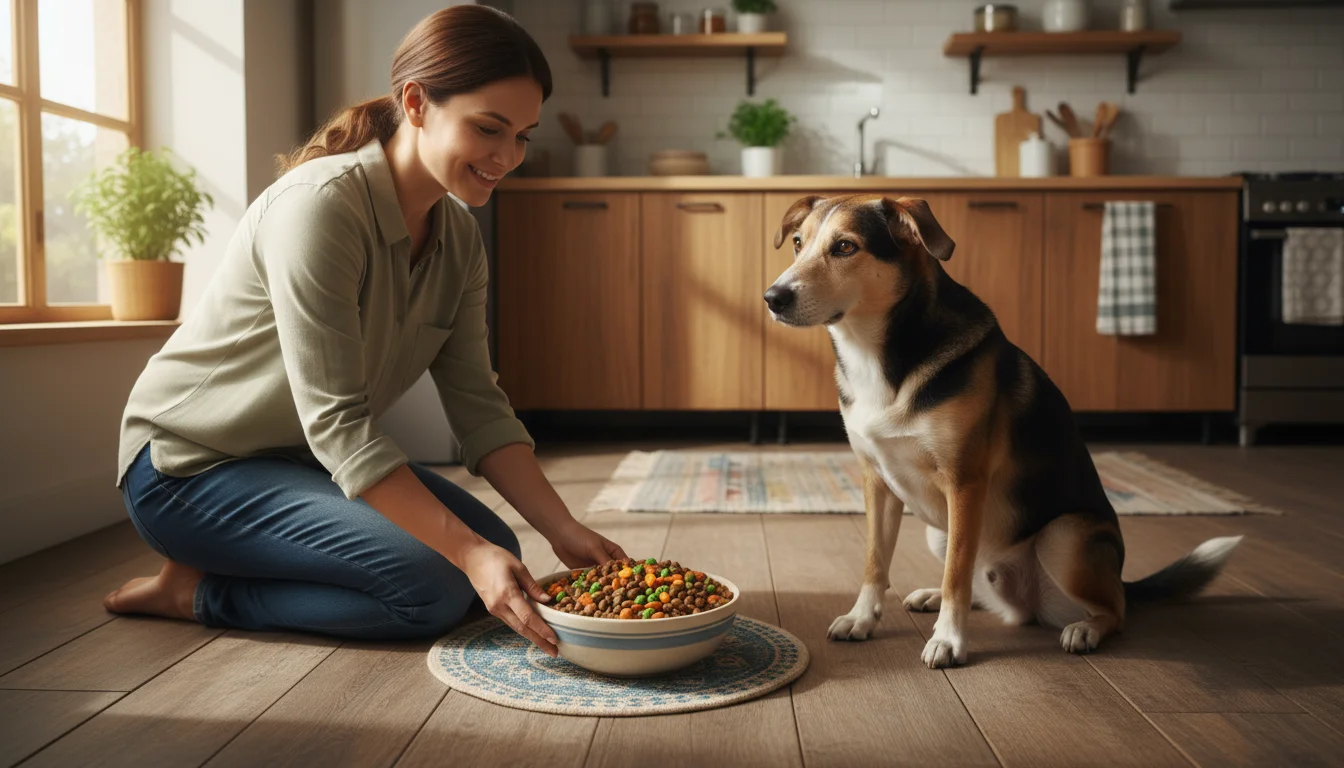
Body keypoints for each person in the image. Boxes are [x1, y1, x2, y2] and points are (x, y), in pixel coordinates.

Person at [104, 6, 623, 657]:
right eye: (488, 128)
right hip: (189, 469)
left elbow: (478, 404)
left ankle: (249, 557)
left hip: (299, 463)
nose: (507, 156)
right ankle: (201, 593)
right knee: (432, 587)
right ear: (416, 102)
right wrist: (463, 552)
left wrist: (563, 529)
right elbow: (339, 423)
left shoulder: (458, 237)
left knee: (503, 554)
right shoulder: (320, 208)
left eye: (522, 135)